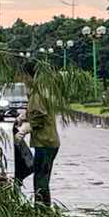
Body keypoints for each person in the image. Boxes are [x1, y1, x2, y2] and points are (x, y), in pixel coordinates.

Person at [23, 73, 62, 207]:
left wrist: (24, 129)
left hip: (45, 143)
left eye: (25, 76)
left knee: (41, 179)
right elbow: (35, 111)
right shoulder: (42, 90)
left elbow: (39, 116)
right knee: (41, 177)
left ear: (30, 76)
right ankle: (43, 208)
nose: (24, 80)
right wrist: (23, 117)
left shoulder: (38, 93)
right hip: (48, 142)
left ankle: (42, 210)